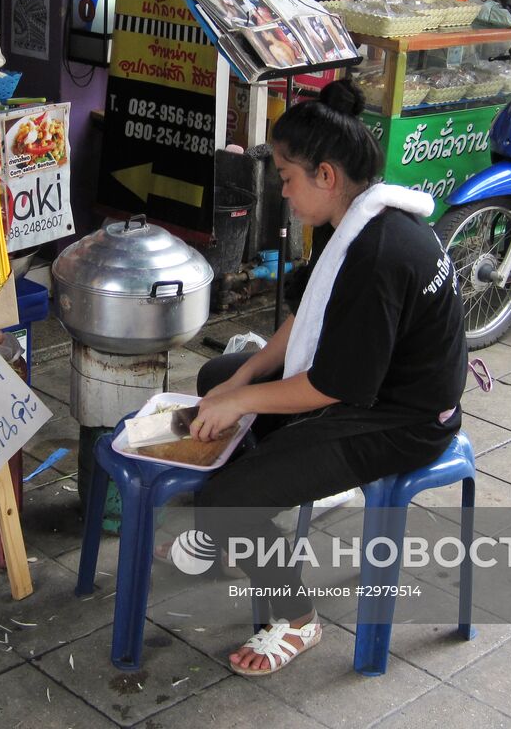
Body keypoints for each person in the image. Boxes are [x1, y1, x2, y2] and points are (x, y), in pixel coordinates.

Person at [180, 78, 467, 676]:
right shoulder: (359, 222)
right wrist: (247, 377)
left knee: (224, 499)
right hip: (371, 384)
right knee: (219, 373)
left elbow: (333, 386)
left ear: (326, 176)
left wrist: (246, 401)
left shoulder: (378, 253)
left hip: (402, 420)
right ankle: (241, 527)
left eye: (286, 179)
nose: (283, 193)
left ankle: (296, 616)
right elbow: (307, 317)